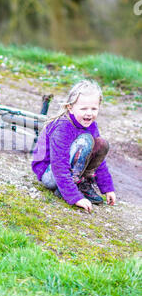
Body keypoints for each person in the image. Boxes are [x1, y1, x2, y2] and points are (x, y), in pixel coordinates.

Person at [31, 80, 116, 213]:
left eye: (94, 109)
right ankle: (67, 189)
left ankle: (82, 181)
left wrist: (108, 188)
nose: (89, 113)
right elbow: (59, 164)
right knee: (86, 140)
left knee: (101, 143)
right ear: (70, 107)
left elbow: (100, 162)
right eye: (83, 108)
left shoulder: (92, 125)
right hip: (50, 173)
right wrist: (74, 197)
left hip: (68, 170)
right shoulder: (63, 126)